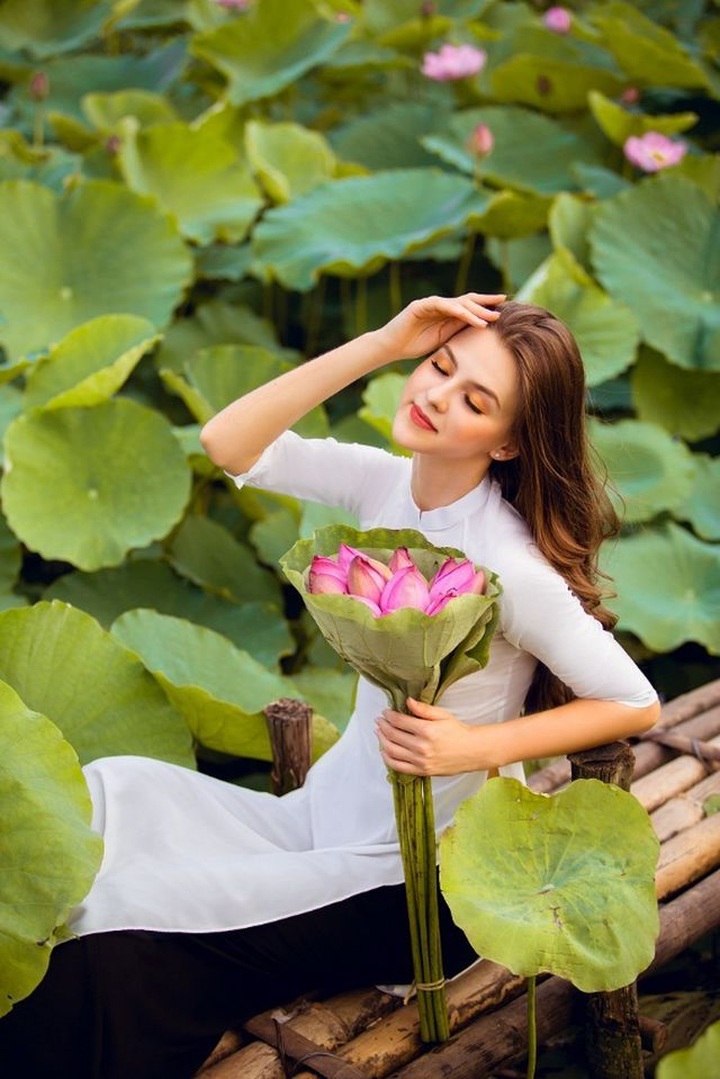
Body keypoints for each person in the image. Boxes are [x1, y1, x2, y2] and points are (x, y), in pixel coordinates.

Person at [0, 293, 660, 1077]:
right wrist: (383, 343)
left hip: (411, 882)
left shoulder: (509, 563)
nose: (437, 398)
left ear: (512, 440)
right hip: (320, 819)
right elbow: (229, 443)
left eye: (475, 401)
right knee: (113, 793)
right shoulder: (385, 486)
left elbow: (632, 699)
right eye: (440, 367)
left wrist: (474, 746)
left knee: (118, 921)